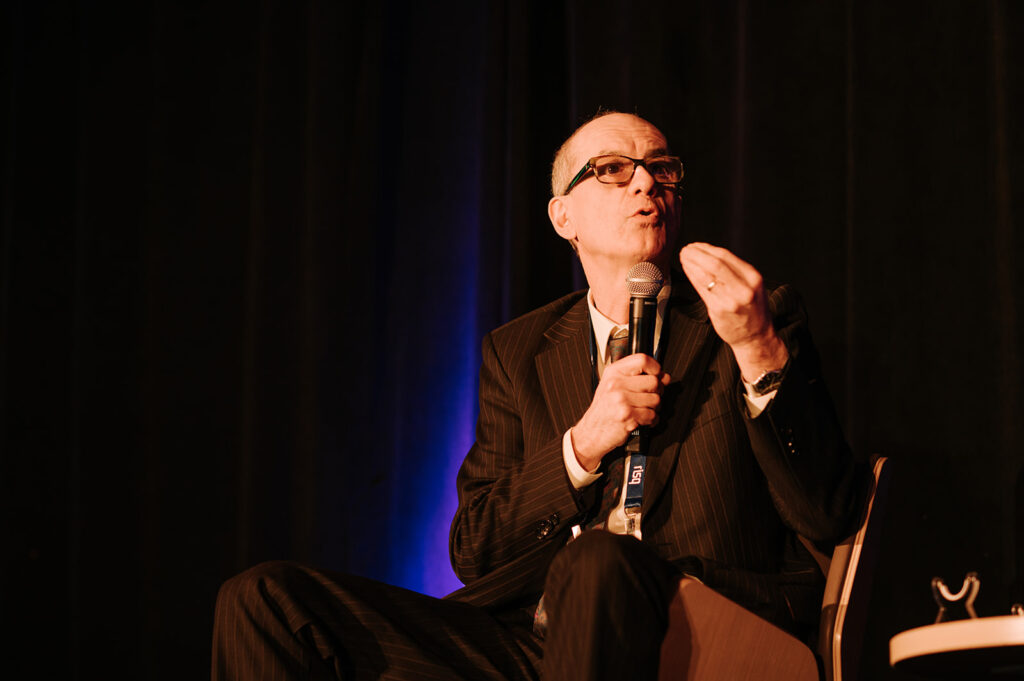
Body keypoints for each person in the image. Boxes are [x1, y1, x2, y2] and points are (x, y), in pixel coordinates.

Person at [212, 111, 858, 680]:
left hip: (701, 621)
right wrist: (581, 446)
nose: (645, 183)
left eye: (661, 169)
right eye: (613, 169)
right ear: (562, 217)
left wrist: (758, 350)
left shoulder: (748, 322)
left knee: (600, 560)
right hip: (530, 639)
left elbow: (828, 513)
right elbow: (476, 549)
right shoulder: (519, 350)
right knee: (266, 600)